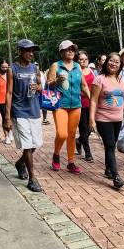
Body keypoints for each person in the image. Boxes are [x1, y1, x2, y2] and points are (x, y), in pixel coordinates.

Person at [89, 53, 124, 190]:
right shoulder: (99, 79)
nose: (113, 64)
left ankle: (108, 170)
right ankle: (116, 177)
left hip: (118, 119)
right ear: (106, 63)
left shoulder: (121, 79)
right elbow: (93, 100)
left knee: (111, 145)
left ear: (120, 65)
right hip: (103, 118)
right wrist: (91, 119)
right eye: (111, 61)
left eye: (117, 62)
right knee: (110, 145)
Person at [5, 39, 44, 192]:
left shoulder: (35, 68)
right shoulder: (12, 69)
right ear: (20, 51)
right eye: (28, 50)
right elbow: (9, 93)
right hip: (19, 111)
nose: (31, 53)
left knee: (35, 144)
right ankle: (32, 179)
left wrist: (38, 87)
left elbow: (40, 86)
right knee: (27, 145)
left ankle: (20, 163)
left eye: (32, 51)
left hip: (34, 110)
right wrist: (7, 117)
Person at [47, 40, 91, 174]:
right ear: (61, 52)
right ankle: (56, 154)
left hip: (76, 105)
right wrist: (56, 81)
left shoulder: (77, 66)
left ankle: (71, 162)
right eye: (68, 49)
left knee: (72, 134)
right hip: (60, 104)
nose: (71, 51)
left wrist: (93, 101)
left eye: (73, 49)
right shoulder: (56, 65)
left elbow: (84, 86)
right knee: (62, 134)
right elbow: (48, 85)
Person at [75, 50, 95, 162]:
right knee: (83, 128)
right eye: (81, 59)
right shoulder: (75, 71)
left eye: (85, 59)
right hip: (79, 103)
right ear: (77, 61)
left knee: (89, 128)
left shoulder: (91, 71)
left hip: (91, 102)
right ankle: (88, 153)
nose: (84, 61)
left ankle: (79, 141)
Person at [0, 60, 13, 144]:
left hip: (11, 99)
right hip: (1, 100)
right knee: (5, 118)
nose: (5, 69)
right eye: (3, 67)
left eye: (6, 67)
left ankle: (10, 131)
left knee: (11, 117)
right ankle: (6, 136)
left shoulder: (10, 75)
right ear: (0, 67)